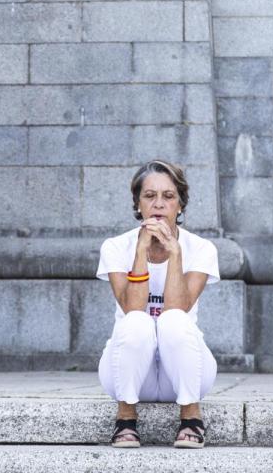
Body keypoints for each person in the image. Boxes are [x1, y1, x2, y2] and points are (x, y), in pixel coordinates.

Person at [96, 160, 220, 449]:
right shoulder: (116, 246)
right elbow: (131, 307)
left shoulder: (201, 248)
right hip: (127, 372)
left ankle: (191, 417)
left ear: (180, 204)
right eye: (150, 196)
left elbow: (178, 308)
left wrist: (175, 253)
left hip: (185, 372)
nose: (159, 204)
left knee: (173, 319)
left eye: (169, 196)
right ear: (138, 204)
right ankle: (125, 419)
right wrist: (141, 250)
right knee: (137, 320)